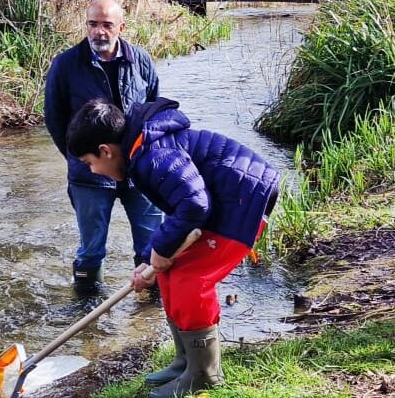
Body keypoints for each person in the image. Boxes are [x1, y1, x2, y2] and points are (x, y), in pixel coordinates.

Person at [65, 98, 279, 398]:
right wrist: (149, 259)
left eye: (90, 163)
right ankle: (186, 361)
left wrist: (162, 251)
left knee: (190, 280)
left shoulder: (153, 156)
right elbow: (178, 211)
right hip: (221, 200)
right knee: (167, 274)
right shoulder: (140, 152)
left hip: (244, 200)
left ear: (106, 150)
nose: (95, 171)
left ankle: (205, 374)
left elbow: (195, 203)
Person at [44, 0, 165, 294]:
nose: (99, 31)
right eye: (93, 24)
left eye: (107, 25)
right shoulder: (66, 65)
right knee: (91, 250)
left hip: (139, 172)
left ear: (121, 28)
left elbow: (154, 112)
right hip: (90, 178)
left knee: (153, 247)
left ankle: (151, 309)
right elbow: (55, 120)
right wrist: (82, 158)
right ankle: (86, 306)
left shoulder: (141, 60)